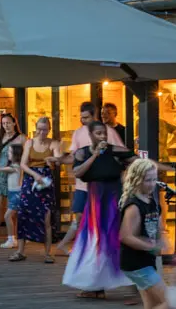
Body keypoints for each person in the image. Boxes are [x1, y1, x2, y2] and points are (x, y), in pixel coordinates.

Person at [62, 120, 135, 297]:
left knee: (114, 241)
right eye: (98, 133)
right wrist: (95, 155)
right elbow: (78, 172)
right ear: (91, 135)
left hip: (113, 202)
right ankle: (95, 287)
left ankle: (134, 284)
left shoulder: (114, 151)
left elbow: (136, 161)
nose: (103, 136)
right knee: (94, 243)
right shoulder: (84, 152)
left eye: (104, 133)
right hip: (95, 202)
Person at [57, 102, 126, 255]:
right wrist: (59, 160)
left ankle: (99, 249)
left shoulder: (108, 132)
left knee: (104, 219)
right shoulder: (78, 133)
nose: (83, 121)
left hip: (103, 185)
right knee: (79, 216)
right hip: (82, 185)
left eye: (86, 118)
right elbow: (74, 157)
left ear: (94, 116)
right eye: (81, 117)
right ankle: (77, 246)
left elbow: (121, 153)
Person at [11, 115, 63, 263]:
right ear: (35, 129)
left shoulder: (53, 143)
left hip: (45, 181)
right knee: (23, 214)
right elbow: (23, 164)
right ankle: (20, 251)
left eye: (45, 130)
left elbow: (58, 159)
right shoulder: (29, 143)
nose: (41, 132)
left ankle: (48, 253)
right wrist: (35, 175)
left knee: (46, 216)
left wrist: (54, 159)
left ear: (49, 130)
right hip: (30, 180)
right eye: (39, 129)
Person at [118, 158, 166, 309]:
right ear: (137, 180)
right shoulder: (133, 206)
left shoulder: (151, 201)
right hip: (136, 263)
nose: (152, 184)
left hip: (146, 262)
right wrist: (150, 246)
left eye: (154, 179)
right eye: (147, 180)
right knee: (172, 302)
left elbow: (157, 227)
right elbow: (125, 236)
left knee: (152, 305)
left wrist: (161, 238)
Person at [0, 113, 24, 244]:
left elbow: (25, 157)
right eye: (3, 123)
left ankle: (14, 234)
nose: (6, 125)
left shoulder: (21, 138)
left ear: (14, 123)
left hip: (13, 174)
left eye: (8, 123)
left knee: (12, 207)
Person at [0, 144, 24, 250]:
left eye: (10, 152)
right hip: (12, 193)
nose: (7, 154)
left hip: (16, 194)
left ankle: (11, 240)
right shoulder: (15, 166)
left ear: (16, 154)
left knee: (7, 216)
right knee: (13, 216)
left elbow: (4, 169)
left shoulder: (16, 167)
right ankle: (14, 239)